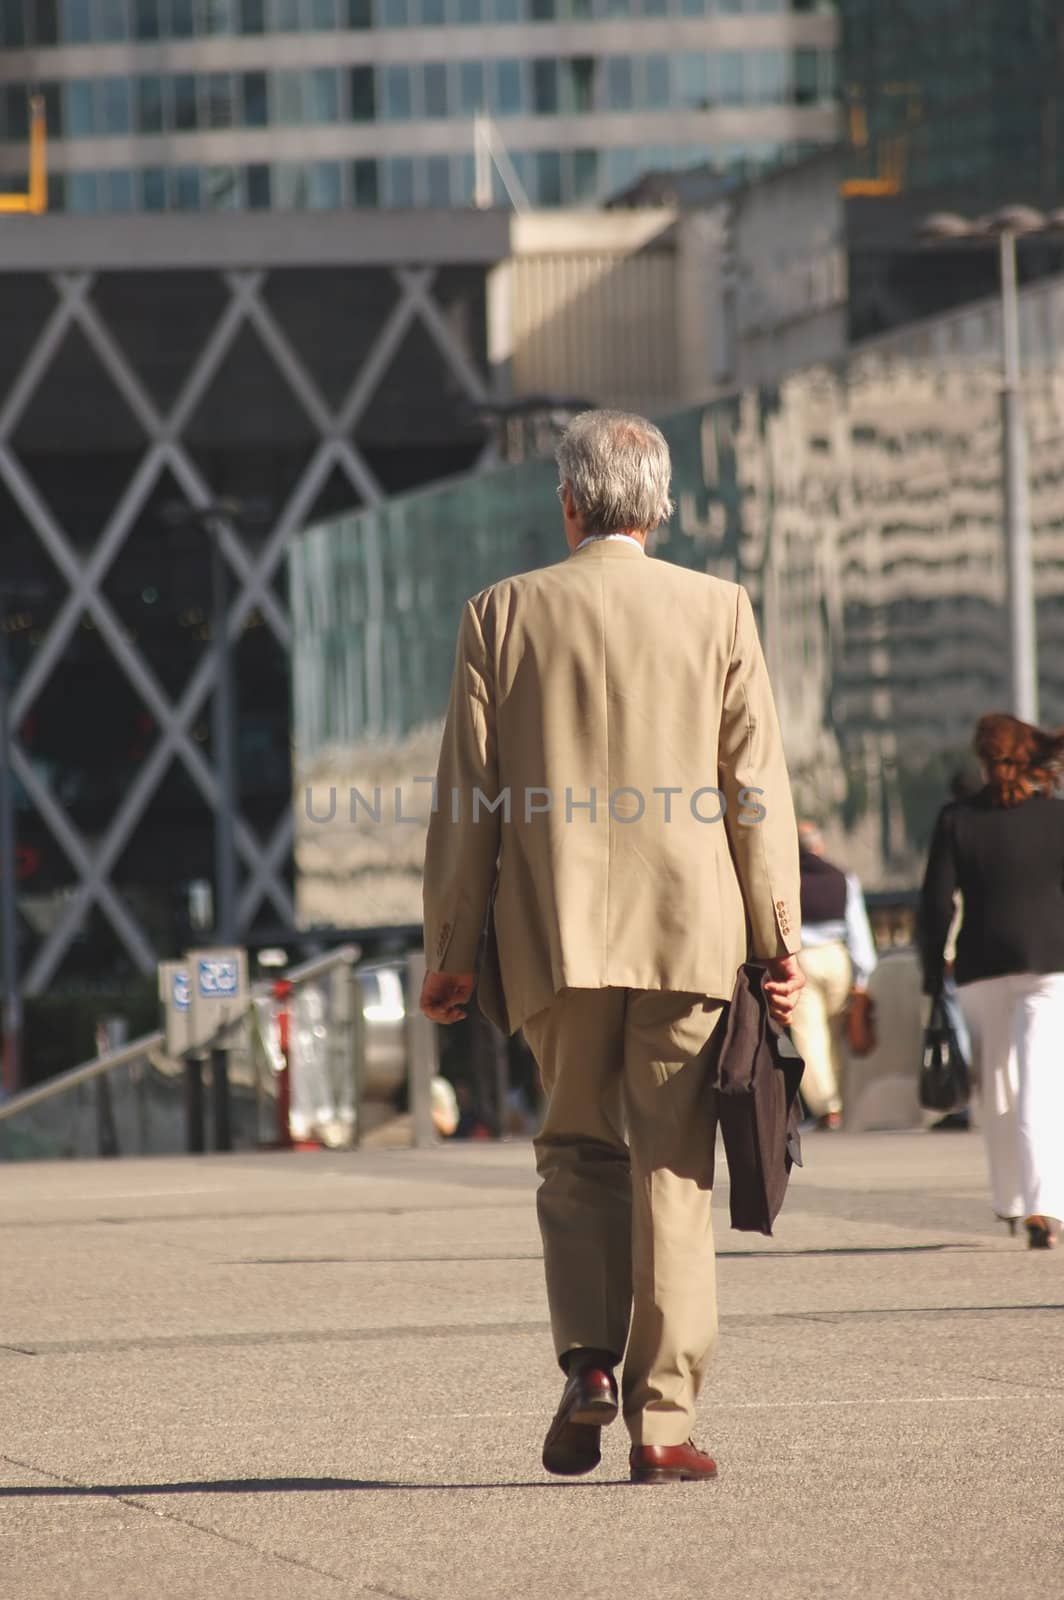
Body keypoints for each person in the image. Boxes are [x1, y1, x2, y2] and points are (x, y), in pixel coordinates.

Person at [419, 409, 804, 1485]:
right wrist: (775, 936)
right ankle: (663, 1422)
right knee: (672, 1169)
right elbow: (754, 794)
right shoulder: (718, 610)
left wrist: (449, 949)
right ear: (660, 506)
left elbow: (468, 803)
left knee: (575, 1145)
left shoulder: (502, 614)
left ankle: (589, 1360)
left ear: (569, 502)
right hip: (690, 933)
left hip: (557, 933)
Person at [920, 713, 1064, 1250]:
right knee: (1040, 1085)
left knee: (999, 1087)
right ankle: (1044, 1205)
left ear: (983, 760)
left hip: (980, 968)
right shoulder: (1056, 818)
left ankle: (1012, 1201)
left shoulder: (956, 819)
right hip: (1050, 963)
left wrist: (934, 973)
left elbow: (936, 904)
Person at [788, 821, 878, 1130]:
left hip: (802, 958)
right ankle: (838, 1098)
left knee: (809, 1035)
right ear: (820, 846)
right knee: (837, 1031)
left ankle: (828, 1107)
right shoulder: (843, 878)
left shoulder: (786, 878)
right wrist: (862, 975)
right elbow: (859, 930)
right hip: (837, 957)